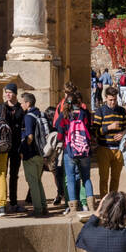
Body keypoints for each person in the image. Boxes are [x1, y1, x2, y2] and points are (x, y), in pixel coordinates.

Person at [54, 86, 95, 215]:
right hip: (84, 151)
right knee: (86, 178)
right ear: (79, 102)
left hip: (69, 151)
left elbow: (60, 135)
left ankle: (73, 208)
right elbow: (89, 129)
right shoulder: (85, 114)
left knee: (71, 178)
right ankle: (91, 207)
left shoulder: (64, 115)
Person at [92, 85, 126, 197]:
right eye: (111, 100)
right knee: (103, 177)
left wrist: (123, 134)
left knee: (115, 178)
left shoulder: (122, 111)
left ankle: (112, 200)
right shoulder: (100, 111)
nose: (113, 102)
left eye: (115, 100)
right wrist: (109, 128)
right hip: (104, 148)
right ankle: (104, 200)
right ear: (106, 98)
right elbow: (95, 132)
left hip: (118, 150)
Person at [19, 92, 49, 216]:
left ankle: (37, 209)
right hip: (41, 153)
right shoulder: (41, 114)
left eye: (22, 102)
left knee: (32, 182)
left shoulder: (28, 117)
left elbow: (30, 136)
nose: (21, 105)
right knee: (38, 181)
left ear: (28, 103)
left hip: (30, 154)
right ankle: (43, 206)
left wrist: (23, 151)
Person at [2, 82, 26, 212]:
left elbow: (23, 126)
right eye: (6, 92)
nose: (7, 94)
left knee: (14, 175)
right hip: (4, 145)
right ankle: (0, 201)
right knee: (2, 174)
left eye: (10, 92)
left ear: (15, 94)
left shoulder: (20, 109)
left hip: (16, 146)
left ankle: (13, 202)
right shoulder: (2, 108)